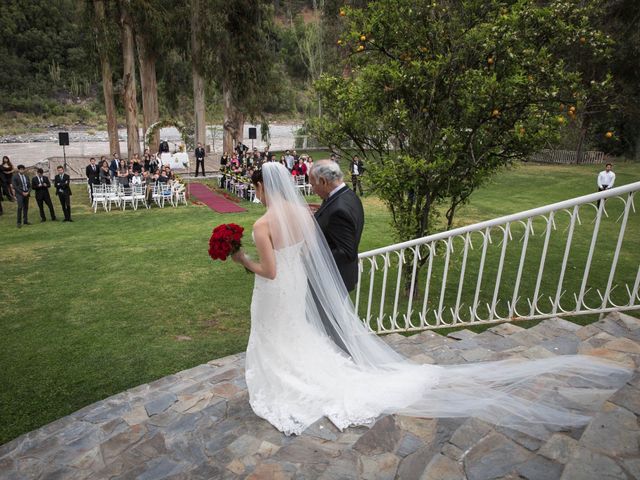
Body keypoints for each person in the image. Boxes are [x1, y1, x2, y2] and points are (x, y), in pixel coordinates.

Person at [228, 161, 630, 438]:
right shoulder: (302, 215)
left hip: (276, 291)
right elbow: (306, 249)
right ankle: (312, 372)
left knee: (280, 337)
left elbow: (272, 269)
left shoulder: (263, 224)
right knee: (297, 336)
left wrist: (242, 258)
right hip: (297, 288)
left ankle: (291, 382)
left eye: (256, 187)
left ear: (264, 187)